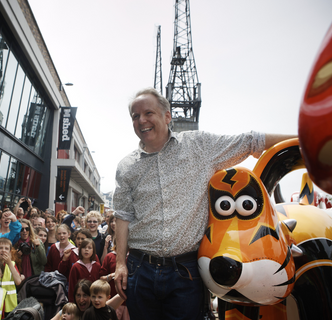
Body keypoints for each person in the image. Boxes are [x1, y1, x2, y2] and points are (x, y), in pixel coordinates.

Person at [113, 88, 296, 320]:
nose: (142, 120)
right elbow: (123, 215)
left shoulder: (199, 146)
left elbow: (251, 141)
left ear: (167, 116)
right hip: (141, 270)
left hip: (185, 272)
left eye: (148, 113)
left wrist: (307, 140)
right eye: (135, 116)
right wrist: (120, 264)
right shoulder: (126, 166)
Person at [0, 238, 22, 314]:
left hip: (10, 305)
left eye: (6, 248)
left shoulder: (12, 264)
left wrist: (9, 263)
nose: (3, 250)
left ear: (10, 252)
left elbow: (18, 281)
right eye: (0, 248)